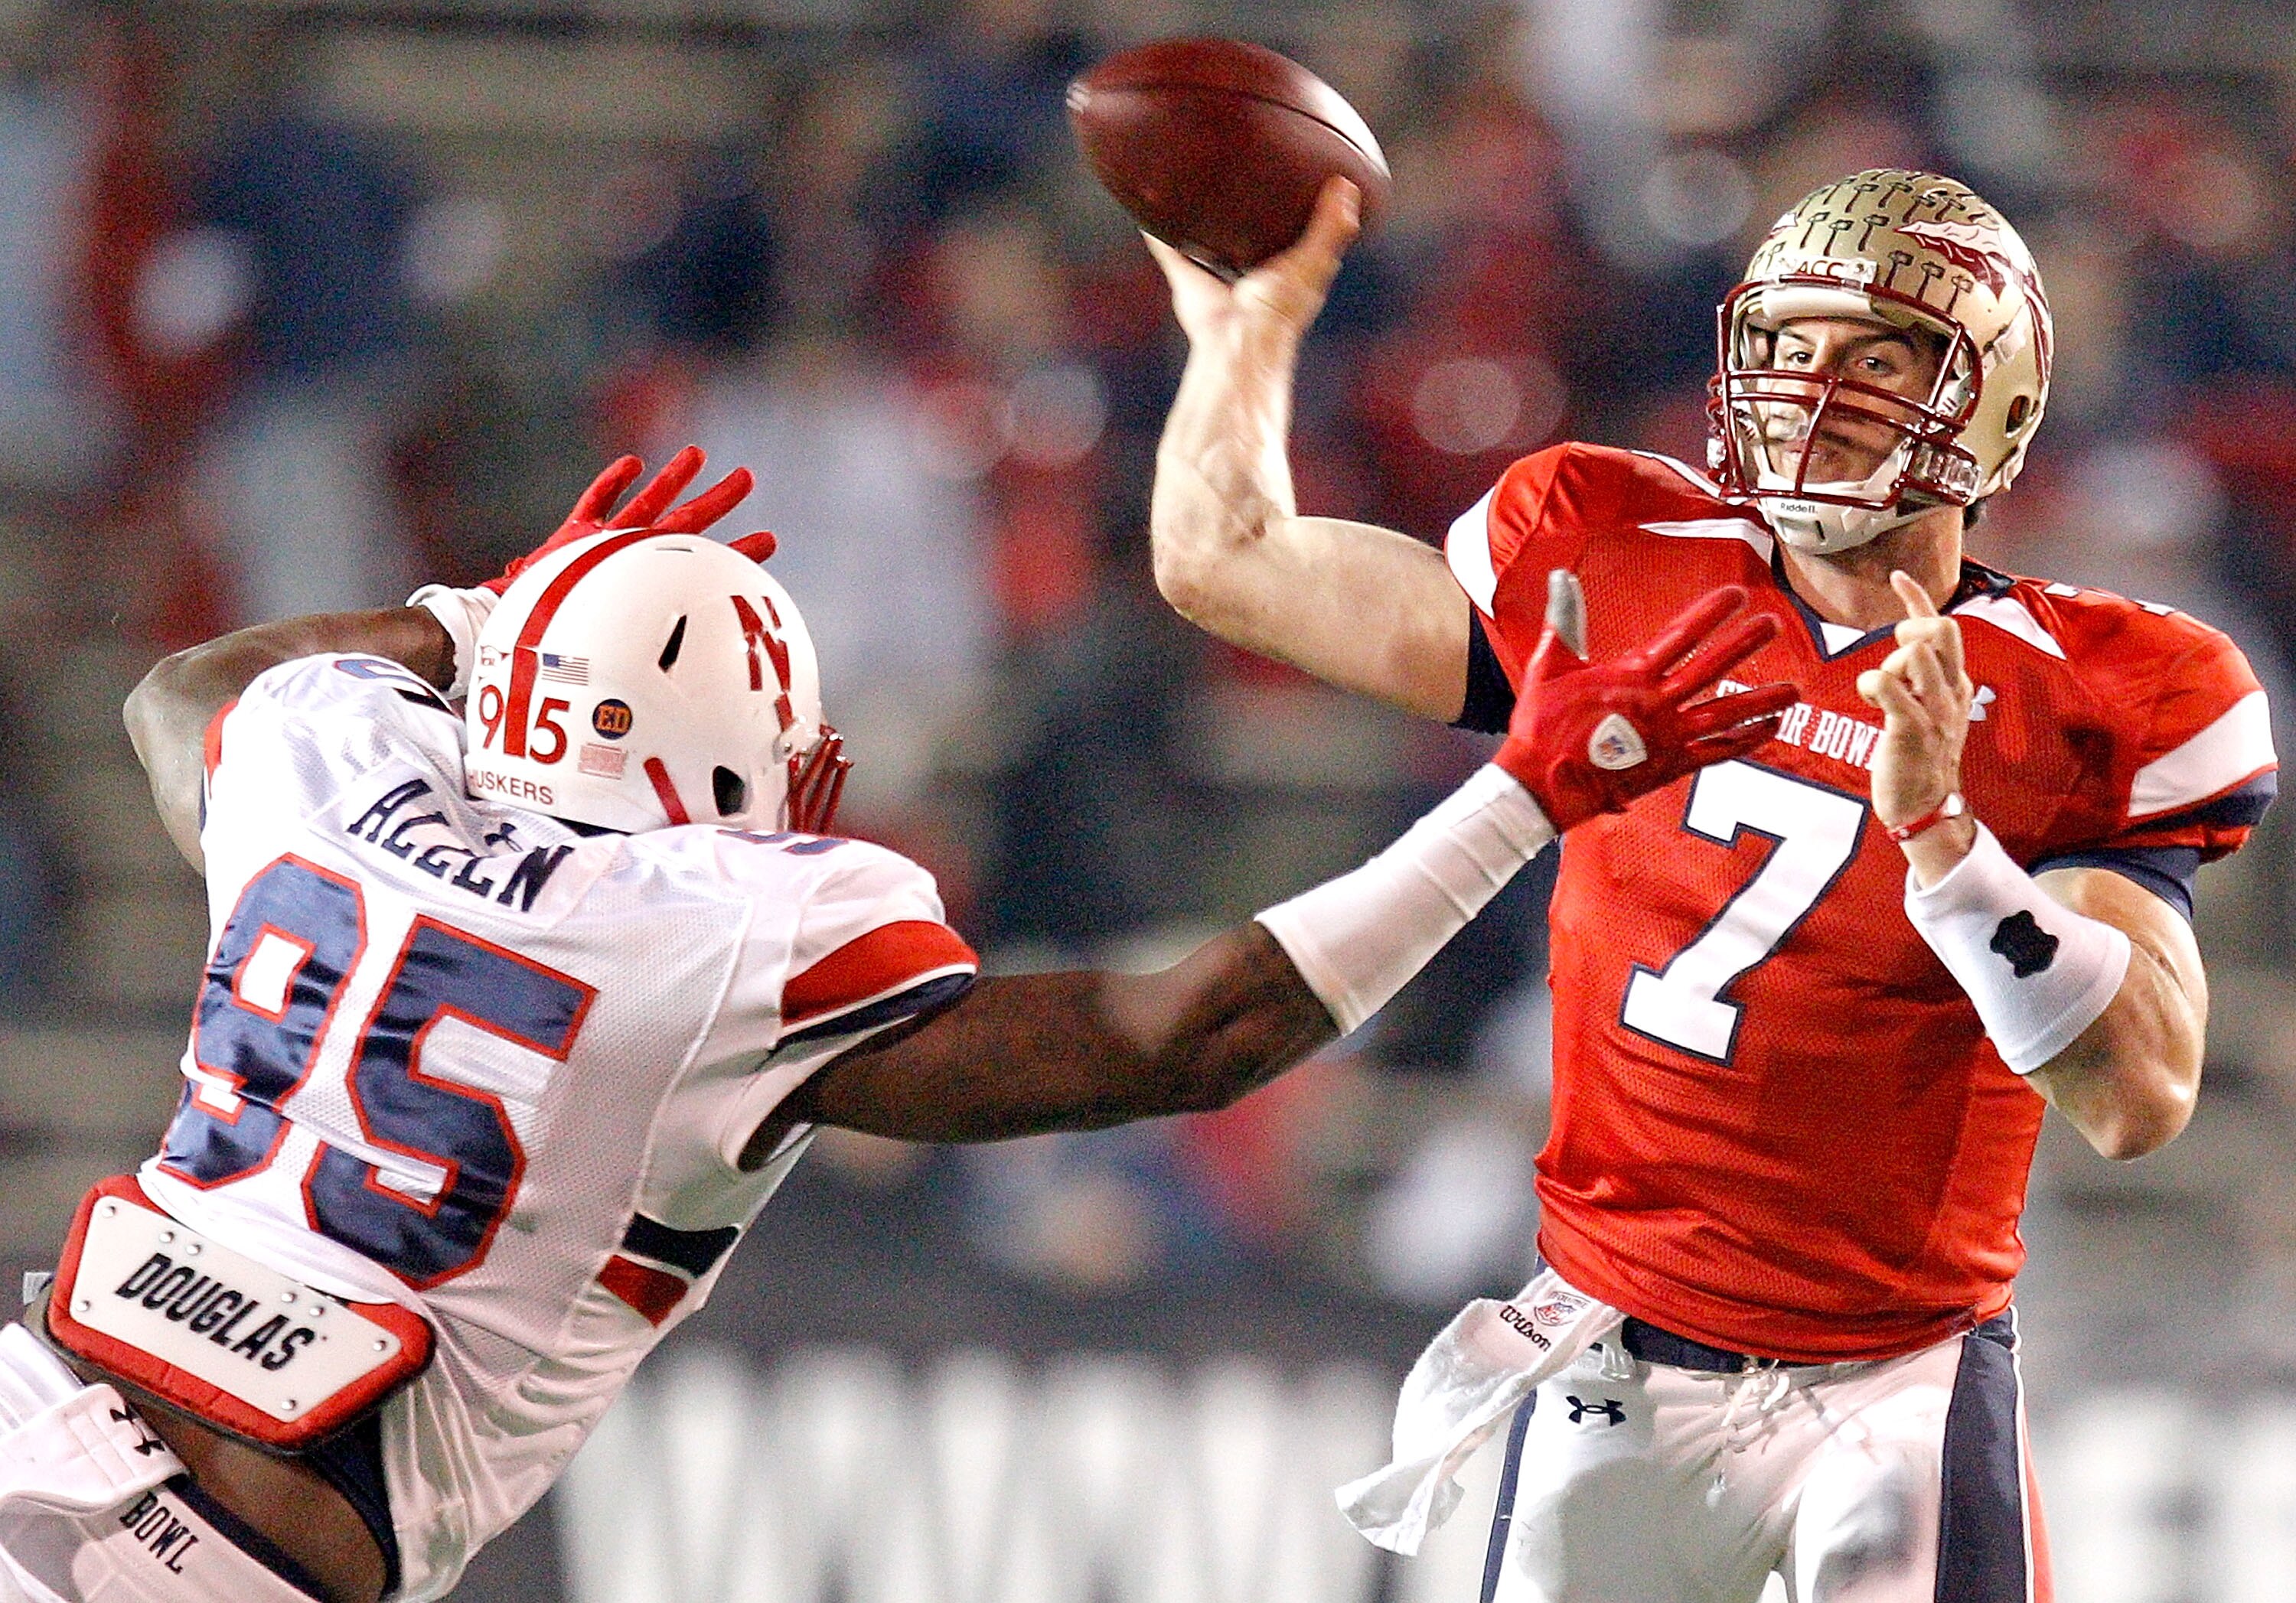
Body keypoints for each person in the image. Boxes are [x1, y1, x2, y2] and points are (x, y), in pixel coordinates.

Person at [0, 445, 1789, 1603]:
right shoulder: (720, 934)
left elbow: (187, 694)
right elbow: (1177, 1039)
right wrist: (1522, 799)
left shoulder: (330, 778)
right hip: (216, 1559)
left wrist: (482, 619)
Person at [1145, 168, 2277, 1601]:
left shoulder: (2099, 685)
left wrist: (1946, 843)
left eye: (1880, 357)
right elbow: (1226, 560)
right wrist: (1241, 340)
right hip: (1609, 1357)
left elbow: (2137, 1100)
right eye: (1790, 345)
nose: (1817, 390)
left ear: (1992, 401)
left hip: (1897, 1384)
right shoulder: (1616, 558)